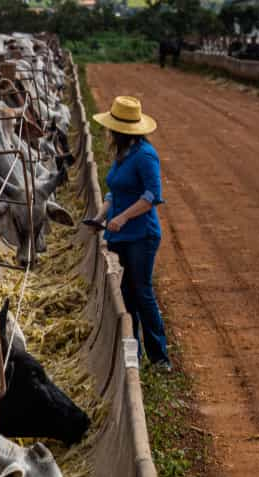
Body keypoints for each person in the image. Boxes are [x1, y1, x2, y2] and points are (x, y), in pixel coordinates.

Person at [90, 96, 171, 370]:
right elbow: (116, 191)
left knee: (142, 291)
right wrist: (101, 216)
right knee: (126, 292)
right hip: (123, 235)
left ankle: (159, 356)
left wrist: (123, 217)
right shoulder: (123, 156)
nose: (109, 132)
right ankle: (132, 354)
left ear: (121, 131)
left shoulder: (145, 156)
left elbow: (152, 196)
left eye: (112, 128)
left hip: (141, 235)